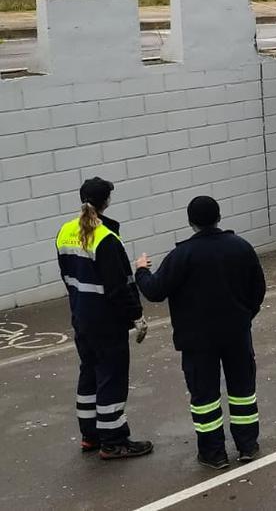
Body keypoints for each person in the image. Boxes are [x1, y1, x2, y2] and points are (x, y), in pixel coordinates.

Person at [134, 196, 267, 470]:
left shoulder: (182, 255)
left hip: (197, 340)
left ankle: (213, 453)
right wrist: (245, 316)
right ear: (219, 217)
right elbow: (258, 289)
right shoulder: (241, 247)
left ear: (190, 222)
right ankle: (247, 445)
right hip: (236, 334)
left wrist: (141, 272)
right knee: (243, 390)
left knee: (205, 398)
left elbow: (155, 291)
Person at [55, 177, 152, 460]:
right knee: (111, 377)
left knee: (89, 374)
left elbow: (67, 276)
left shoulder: (65, 231)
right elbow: (118, 286)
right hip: (106, 322)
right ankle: (114, 441)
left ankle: (91, 435)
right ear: (106, 201)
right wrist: (136, 315)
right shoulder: (106, 238)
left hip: (81, 317)